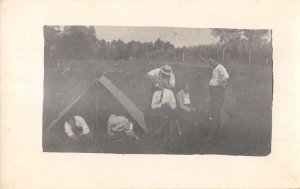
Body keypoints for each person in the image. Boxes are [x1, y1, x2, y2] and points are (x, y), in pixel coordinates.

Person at [208, 58, 229, 136]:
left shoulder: (220, 67)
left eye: (211, 61)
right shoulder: (215, 68)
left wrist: (220, 85)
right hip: (214, 91)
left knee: (215, 109)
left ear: (216, 60)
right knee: (215, 109)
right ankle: (218, 126)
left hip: (217, 91)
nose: (210, 63)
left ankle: (214, 129)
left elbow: (226, 76)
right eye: (209, 61)